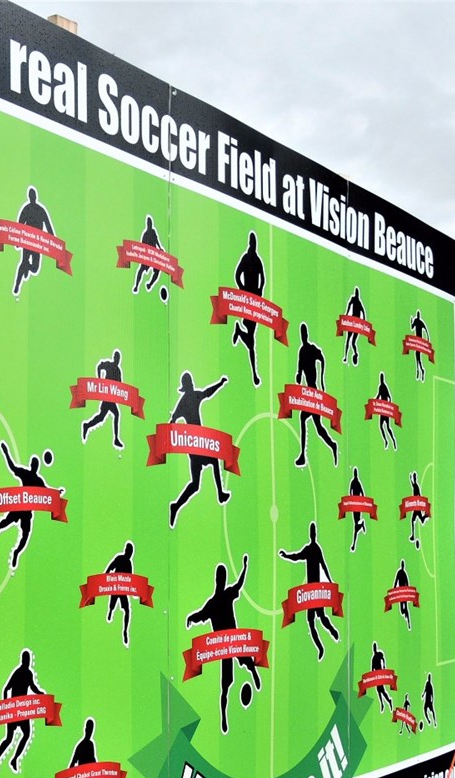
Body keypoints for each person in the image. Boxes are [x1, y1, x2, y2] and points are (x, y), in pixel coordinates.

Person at [184, 555, 260, 734]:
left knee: (244, 665)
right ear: (219, 579)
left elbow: (239, 584)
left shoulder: (223, 597)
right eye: (221, 577)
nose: (221, 580)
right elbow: (200, 615)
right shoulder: (217, 601)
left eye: (222, 577)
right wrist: (191, 618)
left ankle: (254, 673)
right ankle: (224, 716)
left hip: (233, 642)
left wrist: (245, 567)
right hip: (226, 647)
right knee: (226, 685)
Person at [168, 372, 231, 527]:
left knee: (195, 484)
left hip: (196, 444)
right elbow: (173, 419)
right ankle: (220, 494)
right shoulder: (189, 398)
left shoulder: (187, 399)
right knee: (213, 462)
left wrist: (220, 383)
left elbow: (207, 393)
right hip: (195, 444)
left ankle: (176, 505)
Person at [0, 441, 59, 570]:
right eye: (33, 464)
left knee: (25, 536)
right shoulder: (26, 474)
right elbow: (12, 466)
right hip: (19, 506)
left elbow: (49, 493)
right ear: (32, 465)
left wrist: (58, 492)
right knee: (6, 522)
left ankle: (16, 552)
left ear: (36, 467)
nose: (34, 466)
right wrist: (6, 452)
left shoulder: (38, 480)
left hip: (27, 512)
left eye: (35, 464)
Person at [278, 522, 341, 661]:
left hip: (314, 591)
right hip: (310, 592)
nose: (313, 534)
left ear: (313, 534)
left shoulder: (314, 549)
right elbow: (297, 557)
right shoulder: (312, 549)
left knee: (319, 618)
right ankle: (321, 647)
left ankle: (332, 633)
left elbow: (323, 565)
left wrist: (330, 581)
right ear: (313, 534)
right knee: (313, 621)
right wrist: (286, 556)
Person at [0, 649, 45, 777]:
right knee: (9, 739)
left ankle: (15, 758)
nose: (28, 662)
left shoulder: (29, 673)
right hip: (14, 710)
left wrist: (41, 693)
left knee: (27, 734)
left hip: (23, 711)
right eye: (26, 659)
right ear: (23, 660)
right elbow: (6, 688)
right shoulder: (18, 672)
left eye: (29, 660)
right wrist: (6, 706)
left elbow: (33, 687)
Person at [293, 322, 338, 467]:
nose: (303, 336)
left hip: (314, 391)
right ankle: (329, 446)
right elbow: (299, 368)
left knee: (310, 423)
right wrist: (298, 375)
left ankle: (305, 454)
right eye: (301, 333)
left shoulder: (311, 349)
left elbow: (322, 358)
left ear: (306, 334)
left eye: (304, 333)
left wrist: (322, 379)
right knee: (315, 426)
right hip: (308, 392)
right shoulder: (302, 350)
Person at [231, 231, 266, 387]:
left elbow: (263, 280)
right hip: (247, 301)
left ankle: (239, 332)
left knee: (252, 339)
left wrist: (258, 292)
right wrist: (243, 289)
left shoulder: (256, 260)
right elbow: (237, 275)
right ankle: (255, 374)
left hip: (253, 301)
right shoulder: (247, 258)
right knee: (252, 340)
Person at [12, 186, 54, 298]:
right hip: (27, 242)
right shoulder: (26, 209)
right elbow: (19, 226)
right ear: (30, 197)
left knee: (35, 269)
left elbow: (48, 226)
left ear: (35, 197)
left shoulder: (41, 210)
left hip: (37, 243)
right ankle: (17, 285)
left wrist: (53, 242)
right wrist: (18, 241)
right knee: (23, 261)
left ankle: (27, 267)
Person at [80, 349, 126, 450]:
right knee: (109, 416)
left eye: (118, 358)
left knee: (105, 416)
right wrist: (100, 378)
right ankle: (88, 426)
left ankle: (88, 426)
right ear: (114, 358)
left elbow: (120, 385)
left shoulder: (118, 371)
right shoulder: (109, 365)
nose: (117, 360)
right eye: (116, 358)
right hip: (107, 398)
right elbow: (100, 366)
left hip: (111, 399)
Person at [103, 541, 135, 647]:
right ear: (126, 550)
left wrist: (135, 591)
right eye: (129, 551)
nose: (130, 553)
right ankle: (110, 612)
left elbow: (131, 579)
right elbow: (111, 567)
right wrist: (105, 577)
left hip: (123, 589)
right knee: (112, 606)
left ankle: (125, 631)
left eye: (131, 552)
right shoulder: (120, 558)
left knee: (127, 610)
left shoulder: (129, 563)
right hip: (116, 586)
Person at [131, 215, 162, 295]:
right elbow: (141, 246)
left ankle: (150, 284)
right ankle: (136, 286)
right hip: (147, 256)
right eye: (148, 223)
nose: (149, 224)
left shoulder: (153, 231)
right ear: (147, 224)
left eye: (150, 223)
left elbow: (156, 240)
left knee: (157, 270)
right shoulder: (145, 234)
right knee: (140, 271)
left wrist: (160, 248)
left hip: (154, 256)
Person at [346, 467, 368, 552]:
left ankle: (353, 544)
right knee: (355, 523)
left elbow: (352, 493)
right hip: (356, 504)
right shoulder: (356, 482)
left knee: (355, 524)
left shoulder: (356, 483)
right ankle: (361, 524)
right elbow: (361, 493)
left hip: (357, 505)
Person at [375, 371, 398, 452]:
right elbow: (378, 395)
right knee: (381, 426)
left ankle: (393, 441)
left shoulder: (384, 386)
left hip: (385, 410)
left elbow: (389, 396)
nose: (381, 379)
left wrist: (389, 407)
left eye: (381, 378)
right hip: (382, 410)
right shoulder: (380, 386)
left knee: (388, 428)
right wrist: (375, 401)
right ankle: (386, 441)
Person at [341, 286, 364, 365]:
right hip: (353, 322)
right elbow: (349, 305)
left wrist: (363, 321)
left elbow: (363, 311)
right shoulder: (353, 299)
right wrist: (346, 313)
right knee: (348, 340)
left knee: (353, 342)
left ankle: (355, 353)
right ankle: (345, 356)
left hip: (356, 323)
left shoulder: (358, 301)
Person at [369, 641, 394, 712]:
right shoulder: (373, 658)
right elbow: (372, 669)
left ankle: (388, 701)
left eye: (375, 647)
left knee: (381, 690)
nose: (374, 649)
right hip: (377, 675)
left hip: (380, 674)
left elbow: (383, 658)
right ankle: (384, 703)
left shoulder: (379, 654)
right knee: (379, 691)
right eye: (373, 648)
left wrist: (384, 666)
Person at [407, 471, 428, 550]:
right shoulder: (415, 485)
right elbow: (412, 484)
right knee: (418, 520)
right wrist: (410, 478)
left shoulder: (417, 486)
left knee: (413, 520)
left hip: (417, 507)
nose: (414, 479)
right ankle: (425, 517)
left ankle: (413, 535)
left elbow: (419, 495)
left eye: (414, 478)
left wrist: (420, 504)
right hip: (416, 506)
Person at [392, 558, 413, 631]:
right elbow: (396, 580)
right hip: (400, 591)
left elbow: (407, 583)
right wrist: (394, 588)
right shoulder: (400, 572)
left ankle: (408, 620)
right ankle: (406, 614)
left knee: (405, 606)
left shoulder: (404, 573)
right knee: (402, 609)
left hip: (403, 591)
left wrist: (408, 592)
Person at [409, 309, 428, 382]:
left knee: (417, 356)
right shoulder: (416, 321)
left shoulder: (419, 321)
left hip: (419, 342)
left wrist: (428, 339)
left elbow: (426, 330)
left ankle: (420, 370)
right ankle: (419, 370)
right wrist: (411, 322)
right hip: (417, 341)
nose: (418, 315)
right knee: (417, 356)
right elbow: (412, 328)